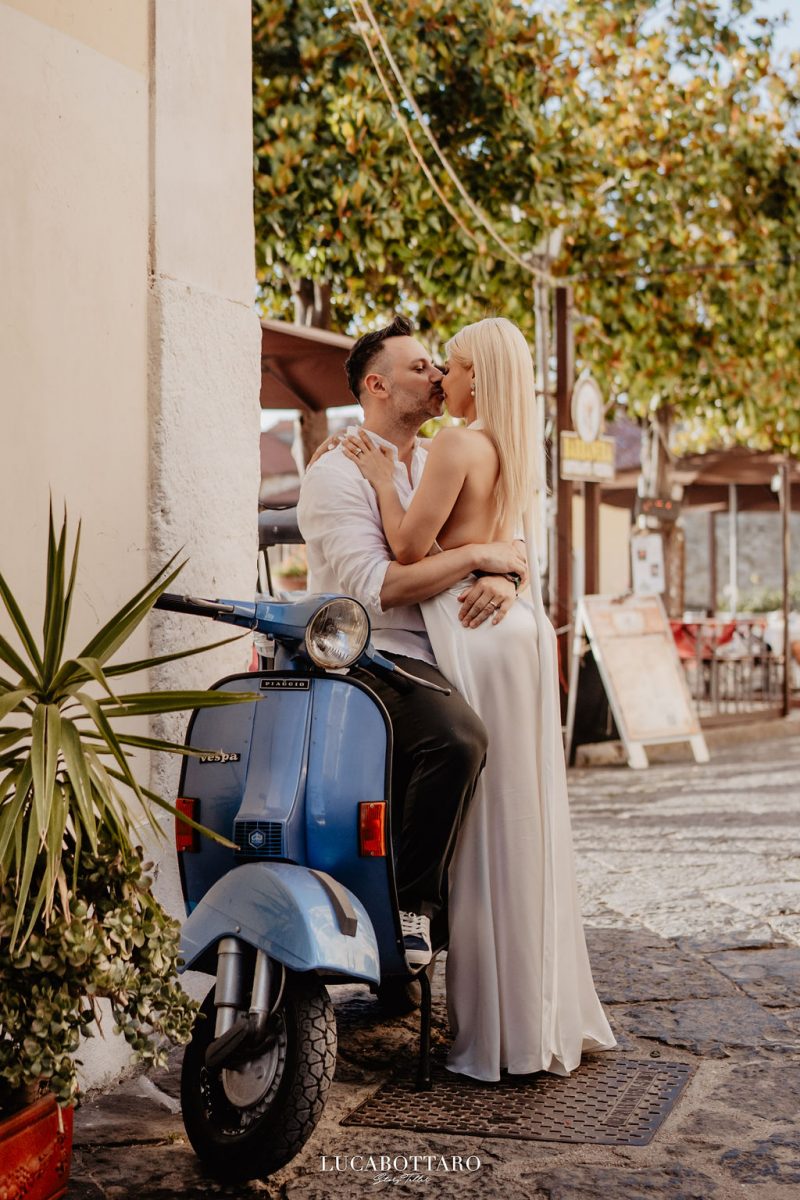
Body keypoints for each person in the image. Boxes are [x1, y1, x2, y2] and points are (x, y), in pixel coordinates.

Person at [343, 316, 616, 1082]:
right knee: (521, 819)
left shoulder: (458, 444)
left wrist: (379, 482)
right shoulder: (513, 451)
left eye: (455, 366)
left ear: (480, 377)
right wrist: (497, 562)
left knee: (486, 824)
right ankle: (534, 1013)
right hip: (517, 630)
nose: (444, 378)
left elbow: (406, 550)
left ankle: (494, 1023)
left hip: (474, 629)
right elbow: (504, 545)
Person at [296, 316, 527, 968]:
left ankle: (498, 935)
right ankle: (410, 907)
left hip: (449, 651)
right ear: (377, 386)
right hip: (370, 656)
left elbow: (508, 536)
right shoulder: (338, 472)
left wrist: (506, 577)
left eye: (440, 365)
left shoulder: (436, 457)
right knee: (457, 740)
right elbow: (380, 588)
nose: (438, 375)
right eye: (420, 366)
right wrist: (479, 557)